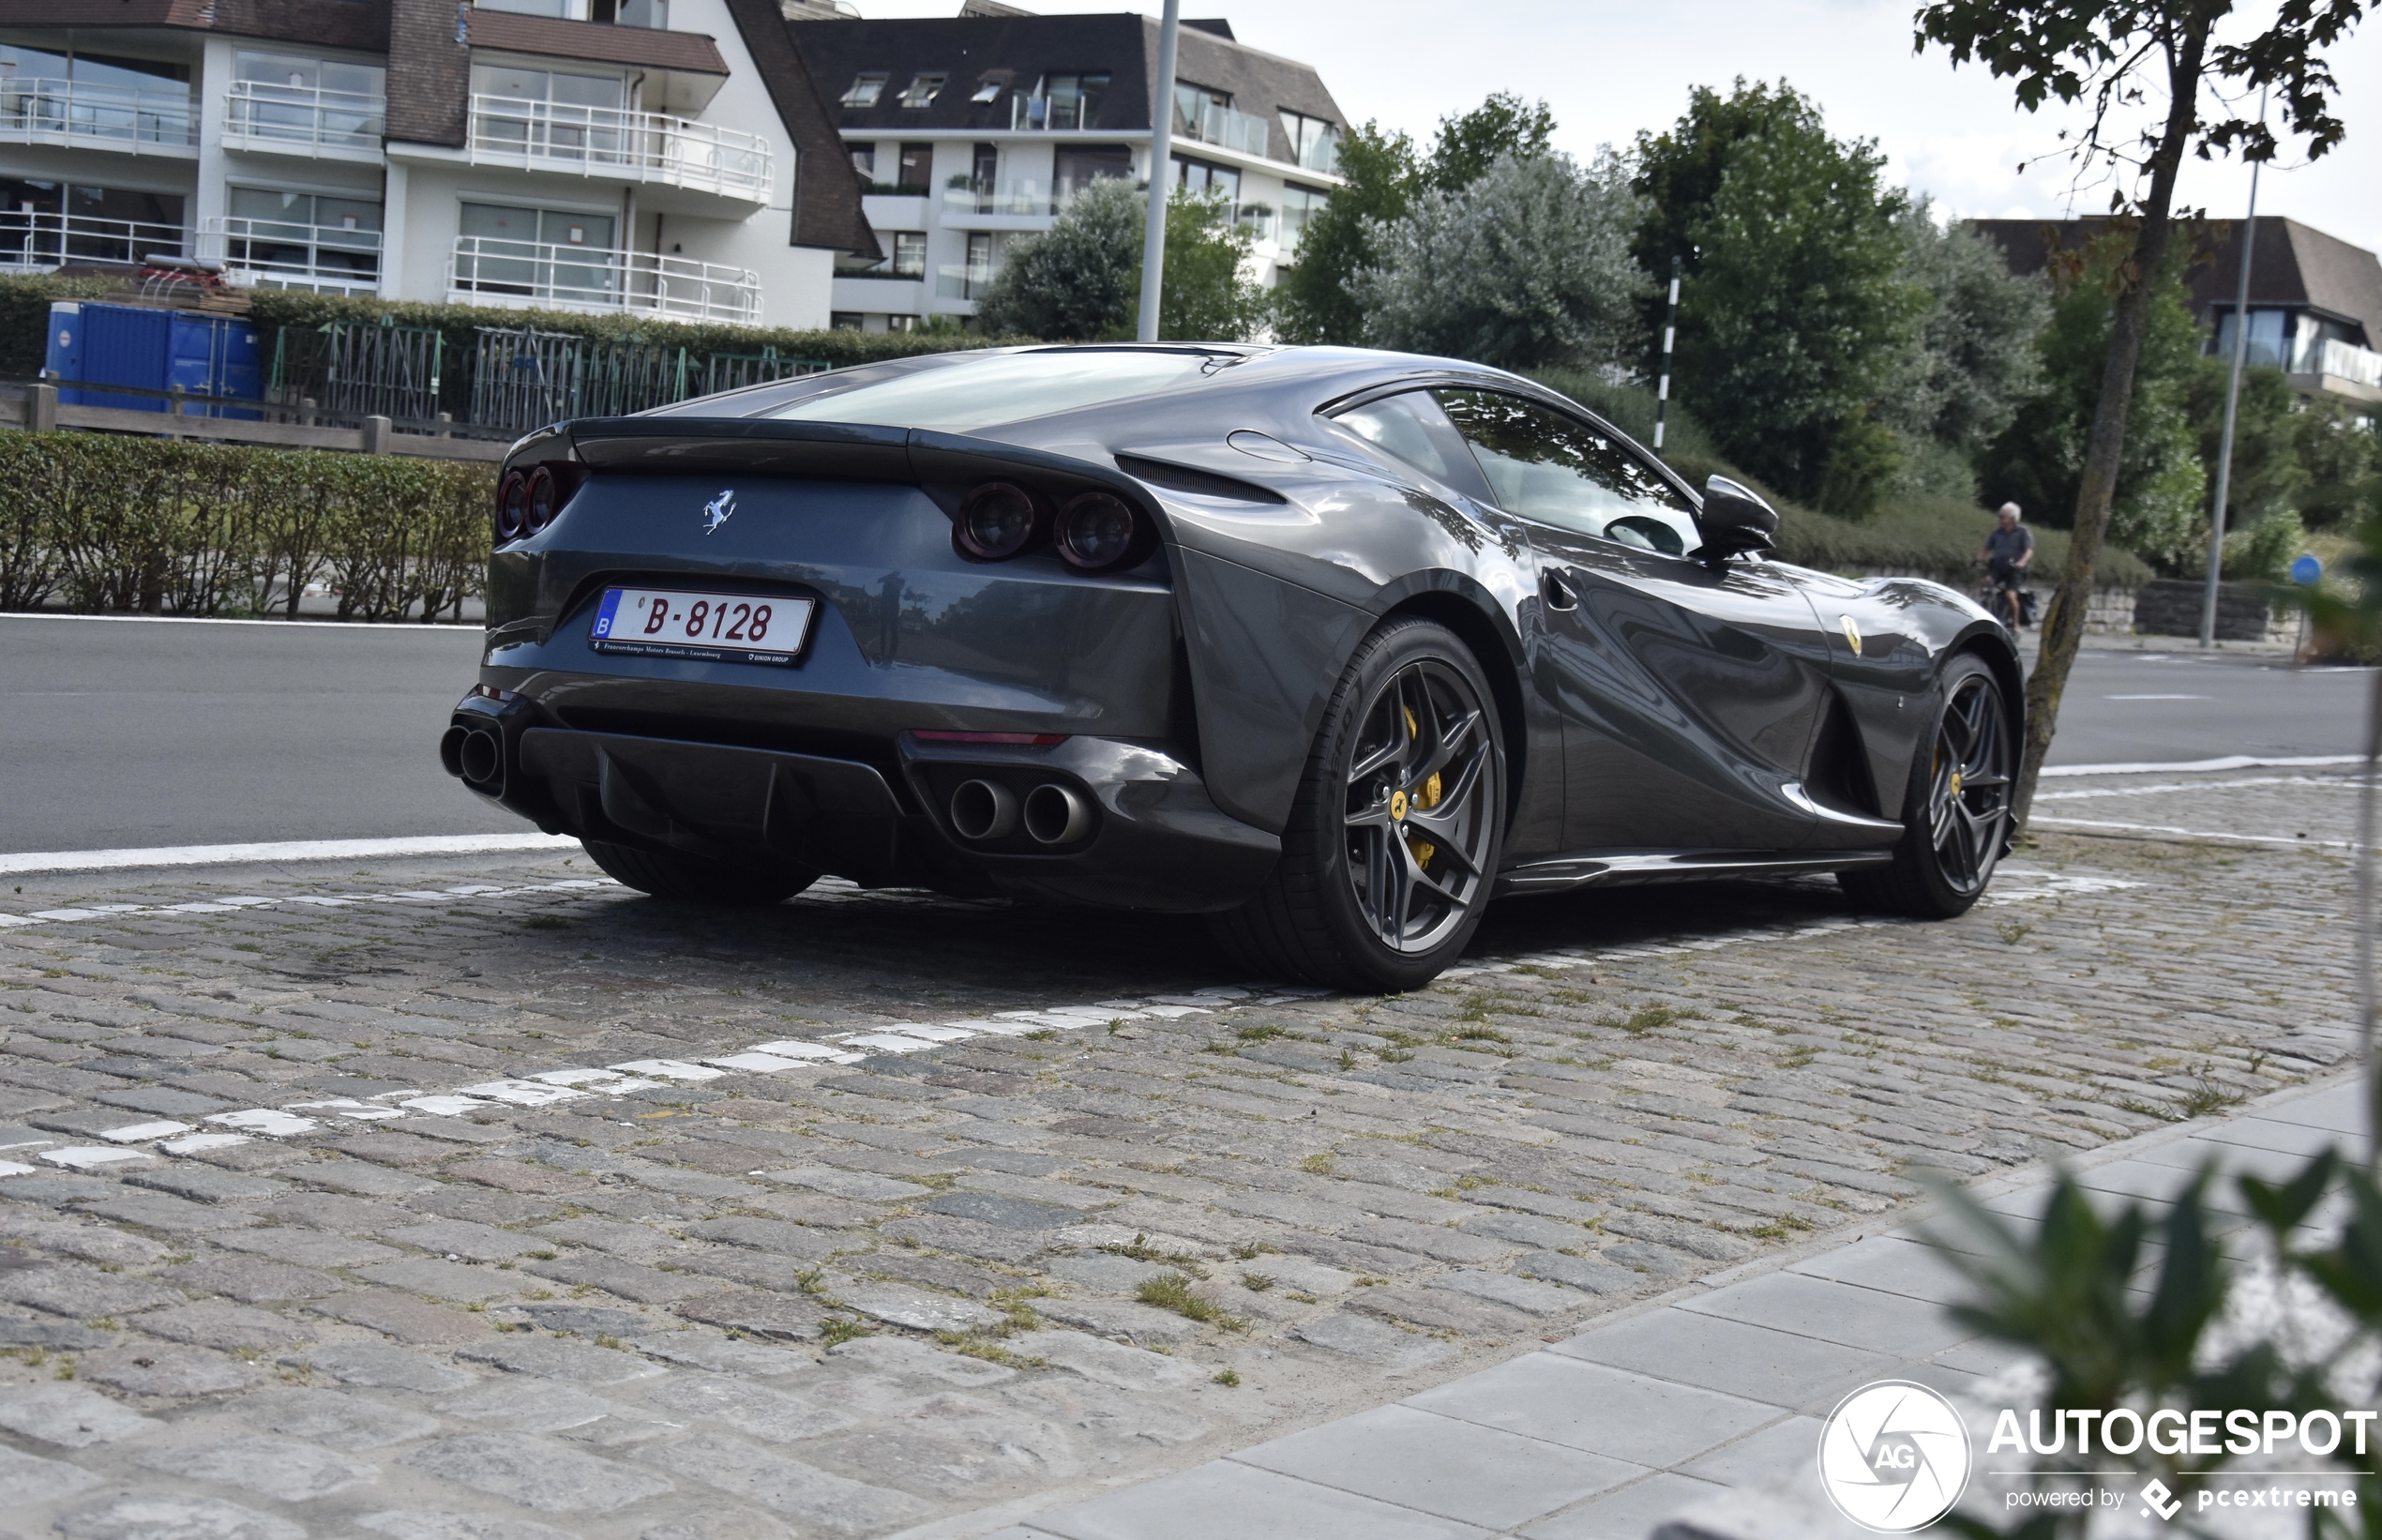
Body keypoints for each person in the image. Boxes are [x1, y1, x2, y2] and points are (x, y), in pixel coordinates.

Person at [1979, 503, 2034, 629]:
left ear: (2012, 518)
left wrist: (2022, 562)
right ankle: (1983, 611)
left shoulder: (2022, 532)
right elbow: (1986, 548)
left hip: (2015, 569)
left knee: (2010, 595)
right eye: (1999, 516)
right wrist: (1979, 559)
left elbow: (2029, 550)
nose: (2000, 519)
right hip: (1998, 566)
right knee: (1986, 582)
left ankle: (2015, 624)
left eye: (2002, 517)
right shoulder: (1996, 533)